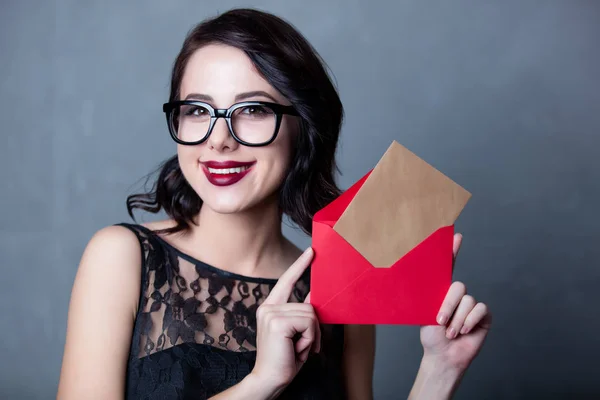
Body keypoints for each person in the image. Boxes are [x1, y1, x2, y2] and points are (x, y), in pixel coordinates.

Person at [57, 8, 491, 400]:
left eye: (253, 110)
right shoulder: (122, 257)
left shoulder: (344, 286)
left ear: (302, 127)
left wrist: (440, 370)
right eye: (197, 111)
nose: (219, 139)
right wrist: (260, 383)